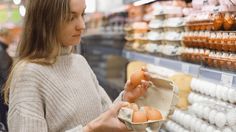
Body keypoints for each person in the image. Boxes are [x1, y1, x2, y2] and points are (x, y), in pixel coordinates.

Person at [4, 0, 150, 132]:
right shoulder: (28, 74)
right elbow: (96, 126)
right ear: (46, 20)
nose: (82, 25)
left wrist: (126, 97)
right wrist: (90, 129)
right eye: (70, 17)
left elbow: (105, 116)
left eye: (82, 14)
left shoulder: (79, 62)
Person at [0, 27, 14, 131]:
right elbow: (5, 74)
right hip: (2, 91)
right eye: (10, 37)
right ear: (4, 36)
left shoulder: (2, 49)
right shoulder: (1, 51)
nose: (11, 39)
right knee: (3, 118)